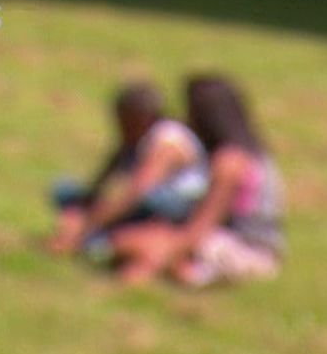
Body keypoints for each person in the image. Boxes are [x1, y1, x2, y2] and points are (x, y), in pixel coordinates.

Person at [111, 75, 285, 288]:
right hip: (246, 245)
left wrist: (161, 246)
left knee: (131, 242)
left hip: (246, 252)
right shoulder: (256, 155)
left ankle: (172, 274)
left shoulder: (229, 163)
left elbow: (197, 232)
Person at [47, 81, 210, 263]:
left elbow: (136, 193)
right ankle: (99, 237)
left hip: (175, 206)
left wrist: (85, 227)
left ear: (140, 117)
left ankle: (108, 240)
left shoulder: (168, 142)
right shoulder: (137, 138)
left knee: (148, 198)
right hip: (141, 204)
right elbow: (105, 177)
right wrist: (87, 202)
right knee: (65, 188)